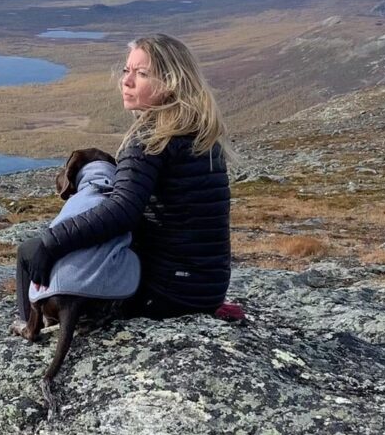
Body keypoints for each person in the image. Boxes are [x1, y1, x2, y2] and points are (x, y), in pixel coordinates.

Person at [20, 33, 231, 319]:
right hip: (205, 289)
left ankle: (27, 328)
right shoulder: (202, 132)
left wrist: (51, 242)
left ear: (170, 83)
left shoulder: (151, 137)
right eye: (126, 70)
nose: (126, 81)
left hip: (165, 293)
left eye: (141, 74)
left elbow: (122, 212)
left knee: (28, 251)